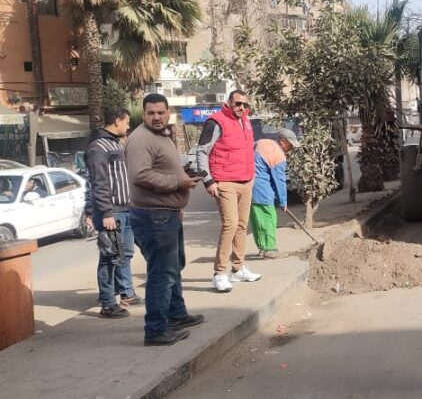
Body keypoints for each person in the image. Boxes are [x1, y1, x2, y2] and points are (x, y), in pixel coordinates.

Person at [126, 94, 204, 346]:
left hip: (167, 212)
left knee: (173, 267)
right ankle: (156, 330)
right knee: (161, 273)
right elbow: (141, 176)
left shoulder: (162, 136)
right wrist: (179, 182)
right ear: (144, 114)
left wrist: (179, 191)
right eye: (151, 113)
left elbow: (163, 169)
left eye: (161, 112)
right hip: (153, 216)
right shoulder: (140, 139)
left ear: (168, 112)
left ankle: (176, 315)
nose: (157, 117)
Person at [196, 89, 261, 293]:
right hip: (225, 182)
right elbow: (202, 151)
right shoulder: (216, 122)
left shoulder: (246, 121)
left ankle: (238, 268)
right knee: (230, 225)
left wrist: (252, 176)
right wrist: (208, 180)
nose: (242, 107)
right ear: (228, 102)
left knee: (242, 226)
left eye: (245, 104)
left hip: (245, 181)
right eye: (238, 103)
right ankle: (220, 273)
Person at [84, 106, 143, 319]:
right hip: (112, 214)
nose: (128, 126)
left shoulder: (116, 143)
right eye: (126, 122)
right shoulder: (98, 147)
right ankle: (108, 303)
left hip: (126, 210)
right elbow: (98, 183)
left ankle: (126, 293)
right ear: (117, 121)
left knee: (124, 254)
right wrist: (106, 213)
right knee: (110, 256)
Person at [250, 128, 299, 259]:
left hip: (248, 185)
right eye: (290, 145)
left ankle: (262, 247)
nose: (292, 148)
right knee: (269, 218)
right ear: (282, 141)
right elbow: (280, 181)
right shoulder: (278, 155)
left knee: (258, 219)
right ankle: (270, 249)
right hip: (262, 188)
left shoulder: (262, 142)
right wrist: (283, 202)